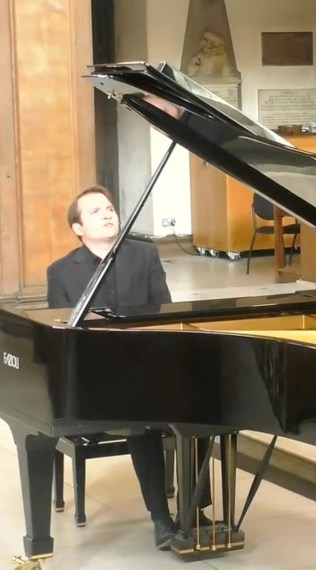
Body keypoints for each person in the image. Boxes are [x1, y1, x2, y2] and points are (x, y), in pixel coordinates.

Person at [46, 185, 211, 550]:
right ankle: (161, 518)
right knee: (142, 419)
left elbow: (165, 315)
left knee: (203, 406)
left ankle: (195, 510)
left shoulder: (144, 255)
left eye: (109, 208)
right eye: (95, 212)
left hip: (149, 366)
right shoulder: (61, 272)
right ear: (78, 228)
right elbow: (61, 341)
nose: (107, 214)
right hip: (95, 381)